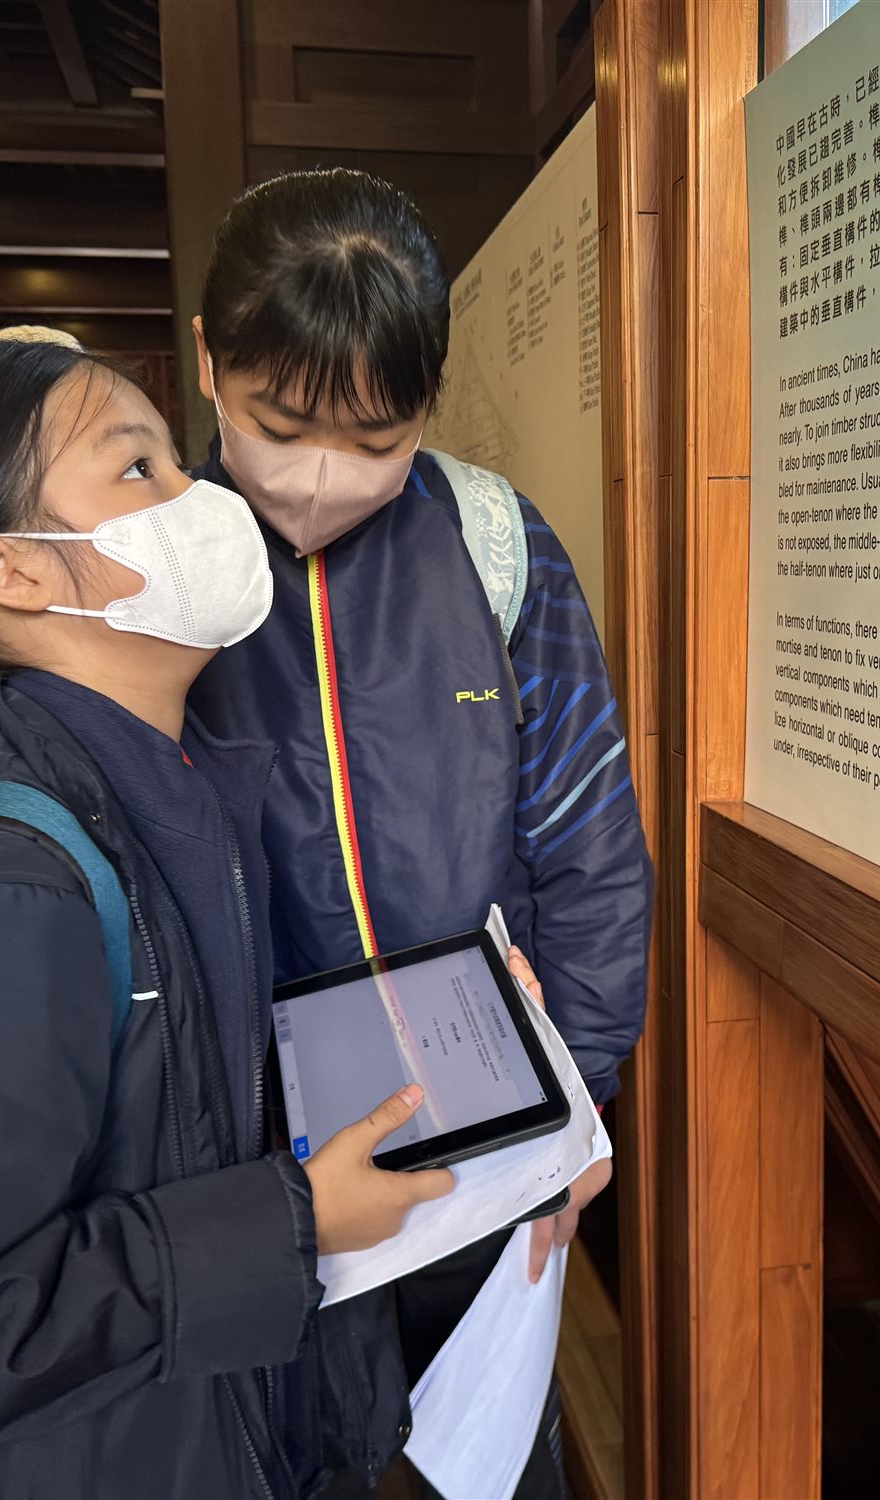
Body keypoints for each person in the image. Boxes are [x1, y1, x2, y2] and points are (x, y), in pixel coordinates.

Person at [0, 337, 450, 1498]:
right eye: (138, 469)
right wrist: (290, 1225)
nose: (203, 501)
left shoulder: (177, 792)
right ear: (10, 569)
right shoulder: (0, 898)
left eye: (176, 462)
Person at [189, 168, 653, 1496]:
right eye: (279, 425)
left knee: (482, 1454)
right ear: (208, 360)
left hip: (483, 1117)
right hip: (255, 1156)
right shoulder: (155, 559)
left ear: (427, 404)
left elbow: (587, 843)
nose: (318, 479)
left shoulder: (495, 544)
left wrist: (579, 1104)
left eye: (375, 439)